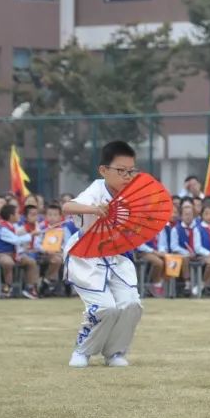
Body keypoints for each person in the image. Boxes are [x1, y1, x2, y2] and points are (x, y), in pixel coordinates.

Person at [62, 141, 148, 367]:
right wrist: (94, 209)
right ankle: (82, 351)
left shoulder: (132, 195)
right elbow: (68, 208)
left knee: (131, 304)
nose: (127, 176)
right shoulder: (96, 189)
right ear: (103, 170)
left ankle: (115, 353)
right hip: (86, 255)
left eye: (131, 171)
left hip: (117, 255)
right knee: (105, 307)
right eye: (121, 171)